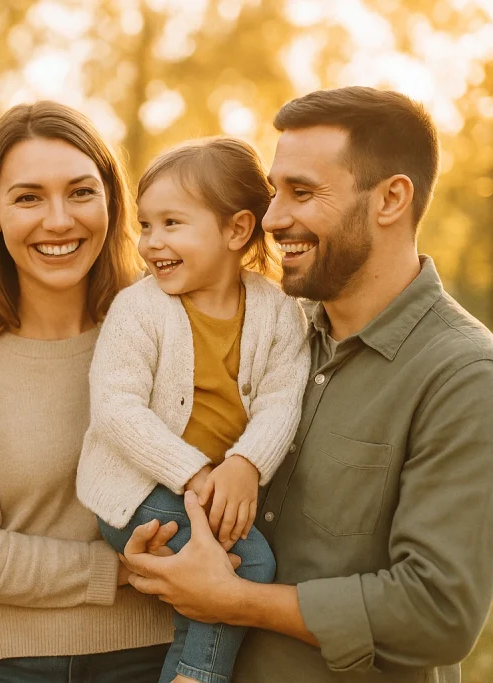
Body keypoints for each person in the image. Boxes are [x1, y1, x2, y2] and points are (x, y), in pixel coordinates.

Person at [119, 86, 493, 683]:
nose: (271, 220)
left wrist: (236, 601)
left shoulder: (462, 376)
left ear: (391, 199)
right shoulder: (272, 335)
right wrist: (165, 556)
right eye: (274, 192)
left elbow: (438, 611)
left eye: (302, 192)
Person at [0, 101, 171, 682]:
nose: (60, 220)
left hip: (155, 654)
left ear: (112, 201)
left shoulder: (168, 323)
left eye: (81, 192)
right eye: (28, 197)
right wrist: (115, 570)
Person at [76, 137, 310, 683]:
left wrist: (246, 464)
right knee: (247, 564)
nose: (152, 242)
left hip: (215, 490)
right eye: (146, 225)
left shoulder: (277, 310)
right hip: (136, 492)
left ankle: (185, 671)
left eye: (172, 224)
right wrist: (195, 472)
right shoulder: (138, 309)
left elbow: (282, 398)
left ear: (236, 230)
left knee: (204, 593)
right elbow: (116, 408)